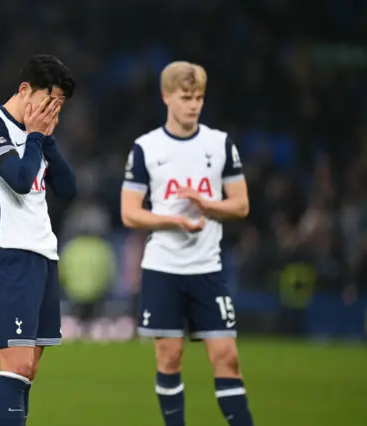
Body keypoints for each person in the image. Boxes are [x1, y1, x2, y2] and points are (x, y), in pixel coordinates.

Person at [121, 61, 254, 426]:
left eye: (198, 98)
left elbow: (241, 205)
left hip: (207, 269)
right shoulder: (146, 148)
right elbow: (130, 213)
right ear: (166, 97)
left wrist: (206, 205)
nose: (193, 105)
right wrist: (174, 220)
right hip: (162, 269)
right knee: (169, 359)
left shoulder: (220, 144)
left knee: (227, 357)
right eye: (185, 97)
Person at [0, 54, 76, 426]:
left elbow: (68, 188)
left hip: (44, 253)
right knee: (16, 366)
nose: (52, 111)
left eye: (59, 106)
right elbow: (19, 178)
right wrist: (34, 137)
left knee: (29, 372)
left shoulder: (39, 135)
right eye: (49, 101)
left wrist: (47, 140)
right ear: (25, 90)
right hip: (7, 253)